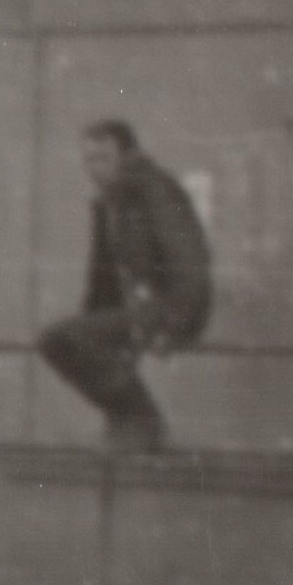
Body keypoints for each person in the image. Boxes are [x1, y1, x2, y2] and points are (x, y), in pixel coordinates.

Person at [33, 114, 213, 456]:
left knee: (64, 338)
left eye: (102, 159)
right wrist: (90, 328)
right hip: (140, 312)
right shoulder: (110, 202)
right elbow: (103, 278)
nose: (93, 169)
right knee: (58, 340)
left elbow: (190, 264)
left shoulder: (155, 190)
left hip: (173, 308)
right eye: (88, 160)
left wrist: (171, 324)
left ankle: (140, 420)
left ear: (129, 156)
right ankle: (129, 418)